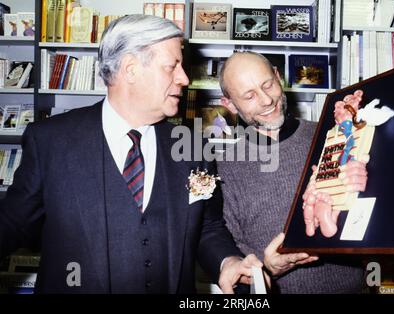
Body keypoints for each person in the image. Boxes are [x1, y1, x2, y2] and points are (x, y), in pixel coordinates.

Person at [0, 15, 262, 294]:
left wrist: (227, 261)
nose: (184, 78)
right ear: (130, 69)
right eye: (172, 66)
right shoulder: (50, 141)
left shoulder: (193, 149)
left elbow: (207, 227)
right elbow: (13, 224)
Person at [217, 51, 368, 293]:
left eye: (267, 84)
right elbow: (233, 263)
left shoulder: (332, 136)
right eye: (249, 95)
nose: (266, 100)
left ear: (278, 77)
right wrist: (267, 269)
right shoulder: (224, 168)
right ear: (230, 105)